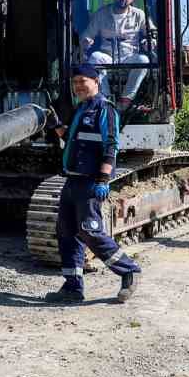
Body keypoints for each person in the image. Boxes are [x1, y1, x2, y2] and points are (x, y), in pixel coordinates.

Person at [45, 62, 142, 303]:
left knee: (90, 232)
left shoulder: (104, 109)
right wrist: (57, 126)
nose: (78, 86)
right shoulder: (82, 108)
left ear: (96, 81)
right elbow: (74, 139)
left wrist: (103, 179)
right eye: (75, 82)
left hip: (89, 183)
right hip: (72, 181)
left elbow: (110, 146)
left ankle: (129, 271)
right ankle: (72, 287)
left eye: (83, 81)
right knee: (67, 233)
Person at [80, 0, 156, 110]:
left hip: (130, 58)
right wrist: (86, 41)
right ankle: (106, 99)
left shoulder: (139, 15)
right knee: (95, 57)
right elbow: (86, 35)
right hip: (107, 57)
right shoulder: (101, 13)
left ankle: (126, 99)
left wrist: (149, 42)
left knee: (143, 59)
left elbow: (153, 34)